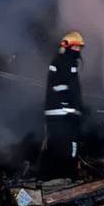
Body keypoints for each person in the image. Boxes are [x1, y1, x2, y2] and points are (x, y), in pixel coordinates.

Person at [41, 30, 85, 179]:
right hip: (64, 113)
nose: (78, 50)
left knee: (56, 147)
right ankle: (68, 177)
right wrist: (71, 106)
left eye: (79, 47)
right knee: (70, 147)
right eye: (76, 47)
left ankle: (55, 178)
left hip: (58, 113)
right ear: (67, 46)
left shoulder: (59, 61)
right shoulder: (66, 62)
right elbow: (64, 87)